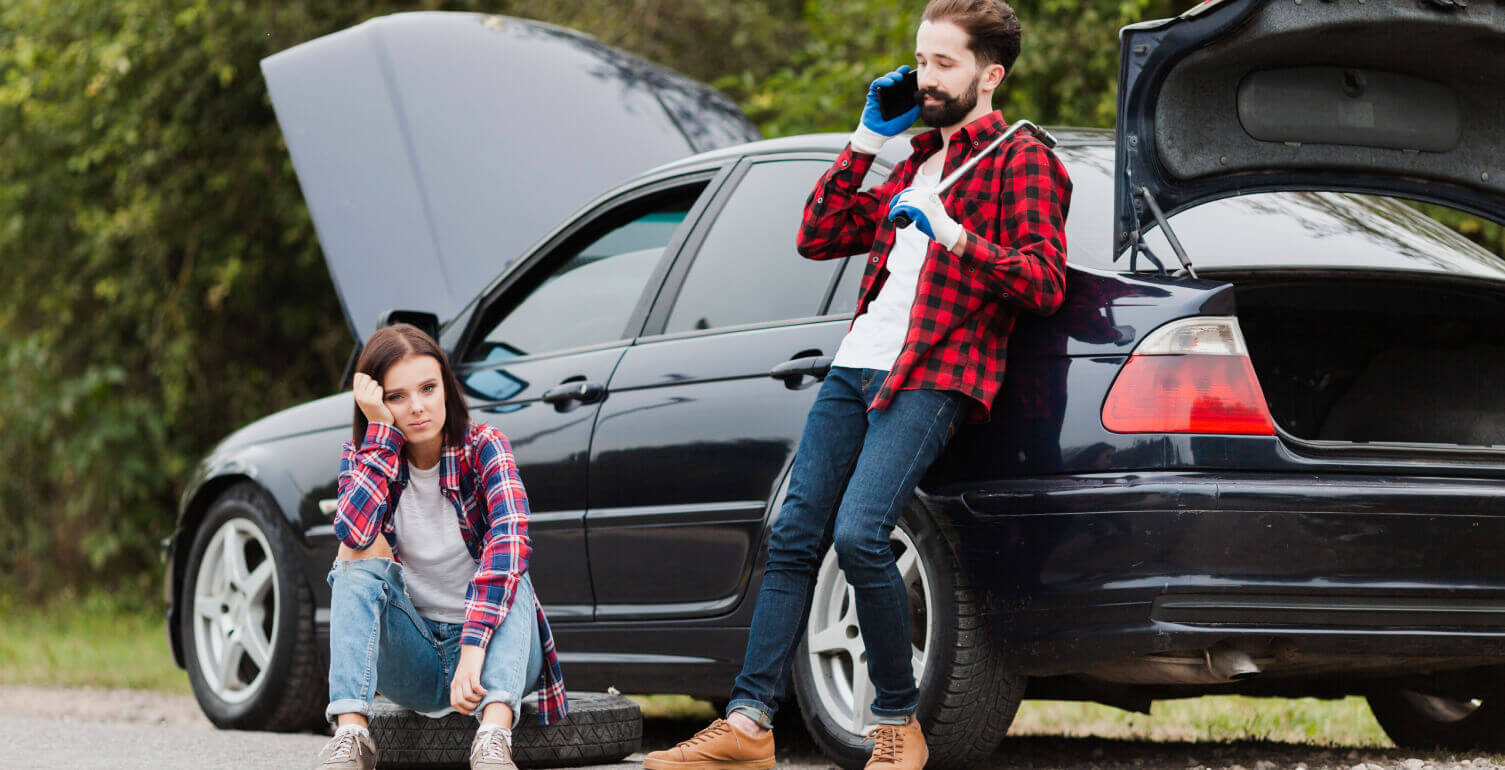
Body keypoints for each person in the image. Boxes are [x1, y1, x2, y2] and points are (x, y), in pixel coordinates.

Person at [643, 1, 1071, 768]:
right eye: (921, 61)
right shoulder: (911, 159)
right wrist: (868, 136)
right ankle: (748, 725)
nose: (925, 78)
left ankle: (897, 724)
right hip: (856, 364)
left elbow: (1043, 280)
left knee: (859, 534)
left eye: (944, 64)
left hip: (935, 370)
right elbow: (817, 234)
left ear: (990, 74)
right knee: (791, 534)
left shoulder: (1021, 160)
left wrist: (957, 237)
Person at [314, 324, 566, 770]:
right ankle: (352, 735)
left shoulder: (485, 445)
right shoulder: (365, 453)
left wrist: (474, 645)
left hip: (492, 658)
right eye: (397, 397)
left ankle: (493, 738)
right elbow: (352, 533)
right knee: (353, 559)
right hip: (418, 658)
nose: (417, 407)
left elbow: (511, 539)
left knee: (512, 566)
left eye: (428, 388)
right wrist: (380, 436)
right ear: (380, 405)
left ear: (445, 389)